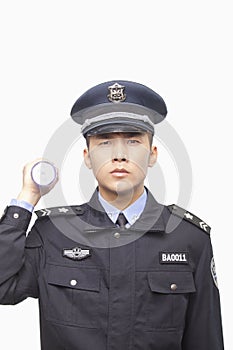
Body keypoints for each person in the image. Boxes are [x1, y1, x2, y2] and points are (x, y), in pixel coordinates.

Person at [0, 80, 224, 350]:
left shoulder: (188, 238)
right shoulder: (53, 233)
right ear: (87, 157)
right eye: (105, 142)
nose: (119, 155)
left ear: (152, 155)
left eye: (132, 141)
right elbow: (4, 286)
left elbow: (205, 340)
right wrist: (26, 200)